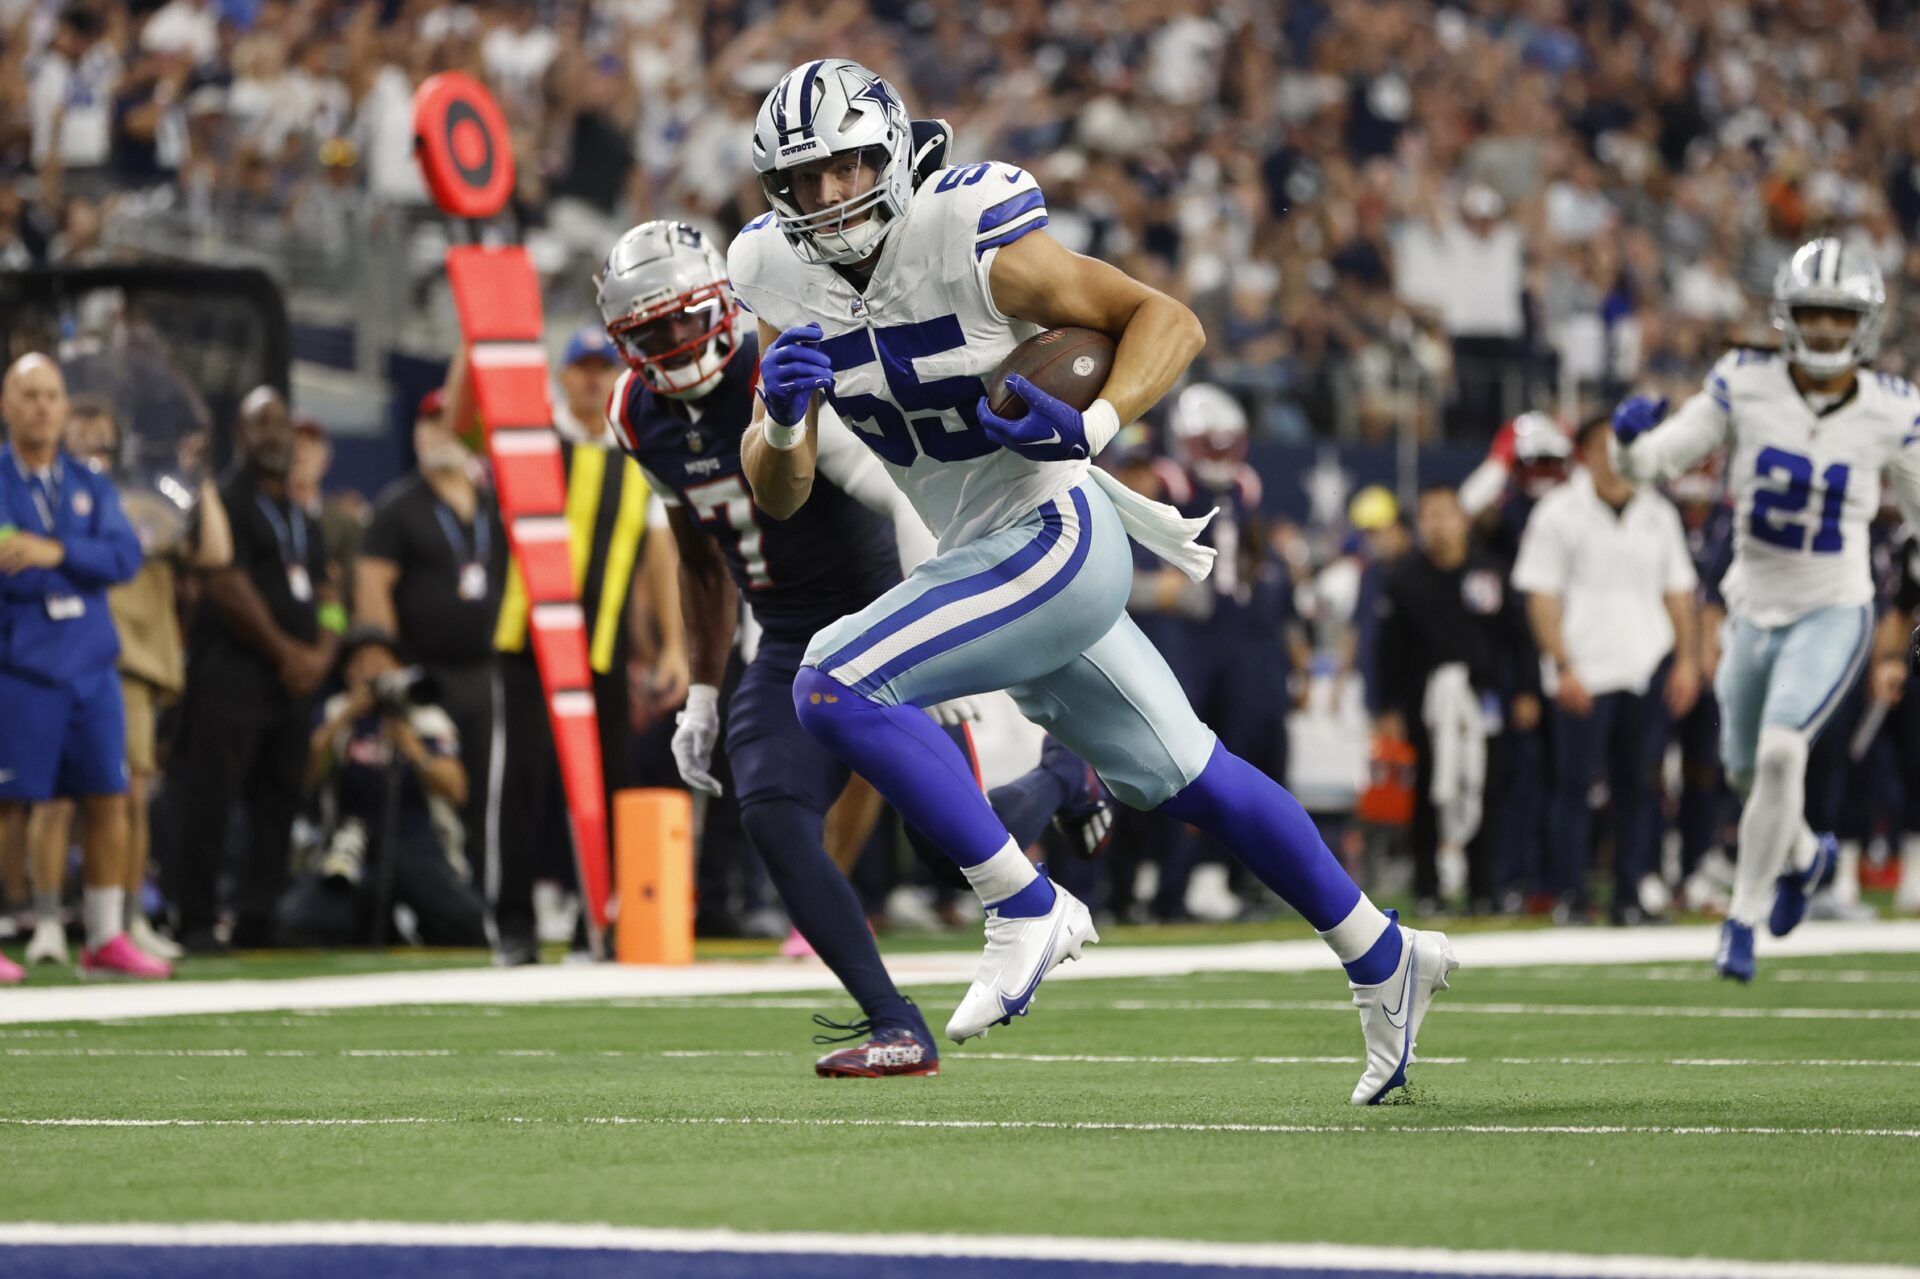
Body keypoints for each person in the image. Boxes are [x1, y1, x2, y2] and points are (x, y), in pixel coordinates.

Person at [731, 59, 1455, 1105]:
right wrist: (785, 421)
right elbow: (782, 492)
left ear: (887, 154)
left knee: (833, 683)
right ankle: (1385, 955)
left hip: (1054, 531)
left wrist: (1095, 420)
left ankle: (1021, 899)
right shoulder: (775, 276)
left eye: (848, 166)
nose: (831, 196)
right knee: (1193, 774)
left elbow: (1168, 321)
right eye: (806, 179)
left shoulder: (966, 230)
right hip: (983, 553)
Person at [597, 217, 1110, 1076]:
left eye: (688, 320)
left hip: (882, 617)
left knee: (951, 858)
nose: (677, 345)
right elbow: (699, 553)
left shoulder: (781, 375)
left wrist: (932, 626)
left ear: (724, 304)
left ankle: (1065, 772)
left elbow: (902, 500)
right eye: (653, 333)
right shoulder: (635, 414)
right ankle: (893, 1022)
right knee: (771, 809)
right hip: (791, 633)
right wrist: (702, 693)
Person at [1612, 236, 1920, 980]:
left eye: (1836, 317)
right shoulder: (1743, 381)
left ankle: (1740, 923)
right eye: (1810, 314)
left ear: (1865, 324)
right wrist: (1628, 443)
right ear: (1786, 315)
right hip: (1752, 606)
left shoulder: (1893, 408)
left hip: (1835, 606)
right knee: (1747, 772)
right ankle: (1805, 853)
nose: (1820, 331)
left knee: (1784, 751)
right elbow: (1656, 463)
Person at [481, 329, 677, 963]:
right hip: (528, 641)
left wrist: (673, 645)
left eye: (603, 368)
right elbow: (466, 423)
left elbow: (658, 551)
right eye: (582, 369)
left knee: (611, 785)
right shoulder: (531, 440)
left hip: (601, 646)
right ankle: (513, 924)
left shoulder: (635, 447)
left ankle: (607, 919)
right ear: (563, 377)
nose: (593, 380)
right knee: (523, 782)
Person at [33, 397, 232, 963]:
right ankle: (44, 920)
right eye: (83, 435)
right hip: (60, 657)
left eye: (103, 437)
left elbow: (214, 550)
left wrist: (202, 482)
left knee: (129, 800)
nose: (94, 446)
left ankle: (125, 919)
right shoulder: (47, 502)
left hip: (133, 665)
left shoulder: (144, 502)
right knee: (50, 802)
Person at [0, 354, 165, 980]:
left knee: (109, 796)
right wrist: (74, 560)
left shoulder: (89, 484)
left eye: (51, 395)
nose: (42, 406)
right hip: (21, 662)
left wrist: (54, 551)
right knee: (8, 804)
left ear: (65, 408)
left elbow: (124, 556)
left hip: (92, 665)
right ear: (6, 406)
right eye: (29, 395)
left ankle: (104, 935)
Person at [166, 386, 339, 953]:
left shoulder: (300, 512)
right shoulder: (228, 499)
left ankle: (258, 916)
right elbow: (225, 584)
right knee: (209, 799)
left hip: (290, 686)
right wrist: (288, 651)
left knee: (279, 800)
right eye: (261, 424)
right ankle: (193, 918)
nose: (274, 435)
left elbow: (328, 591)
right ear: (239, 435)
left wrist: (322, 653)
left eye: (281, 424)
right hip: (231, 675)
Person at [1513, 417, 1699, 924]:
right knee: (1573, 786)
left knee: (1639, 786)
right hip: (1584, 668)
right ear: (1585, 453)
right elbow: (1541, 597)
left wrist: (1686, 661)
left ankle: (1630, 893)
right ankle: (1570, 893)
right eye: (1605, 446)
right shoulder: (1558, 511)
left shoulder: (1658, 512)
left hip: (1645, 664)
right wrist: (1563, 664)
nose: (1616, 457)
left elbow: (1679, 593)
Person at [355, 391, 507, 902]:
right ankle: (436, 897)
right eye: (427, 423)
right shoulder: (399, 507)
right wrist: (389, 668)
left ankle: (488, 897)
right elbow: (373, 587)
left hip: (487, 672)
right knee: (435, 790)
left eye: (447, 423)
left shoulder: (493, 504)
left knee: (490, 790)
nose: (435, 432)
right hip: (425, 674)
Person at [1374, 485, 1540, 914]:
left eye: (1446, 513)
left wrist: (1525, 690)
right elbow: (1388, 649)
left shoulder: (1487, 573)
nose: (1438, 523)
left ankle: (1484, 887)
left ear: (1462, 519)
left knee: (1486, 786)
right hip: (1425, 700)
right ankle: (1428, 888)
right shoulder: (1405, 578)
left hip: (1482, 696)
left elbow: (1517, 638)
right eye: (1429, 514)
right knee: (1429, 791)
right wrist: (1388, 707)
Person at [278, 626, 488, 948]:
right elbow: (307, 777)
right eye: (359, 664)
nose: (370, 671)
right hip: (353, 839)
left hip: (416, 838)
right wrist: (346, 717)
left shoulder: (425, 716)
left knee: (467, 924)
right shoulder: (336, 711)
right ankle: (375, 925)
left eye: (379, 661)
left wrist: (412, 746)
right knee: (300, 924)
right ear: (346, 674)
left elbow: (457, 789)